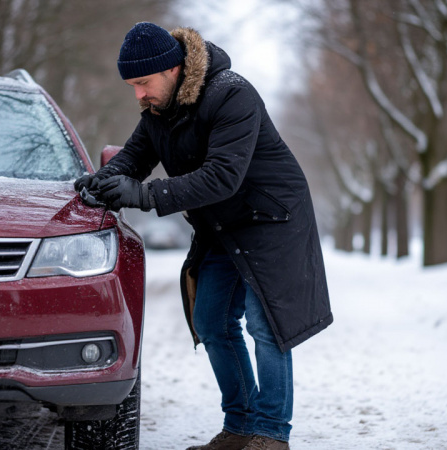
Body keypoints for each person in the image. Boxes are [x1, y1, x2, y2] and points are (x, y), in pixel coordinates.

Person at [75, 22, 333, 450]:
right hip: (222, 225)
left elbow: (222, 176)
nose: (138, 94)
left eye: (143, 83)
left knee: (265, 326)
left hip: (272, 218)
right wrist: (98, 183)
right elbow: (134, 157)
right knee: (211, 320)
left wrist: (143, 194)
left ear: (173, 69)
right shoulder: (159, 113)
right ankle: (239, 427)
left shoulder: (232, 93)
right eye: (131, 86)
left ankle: (271, 435)